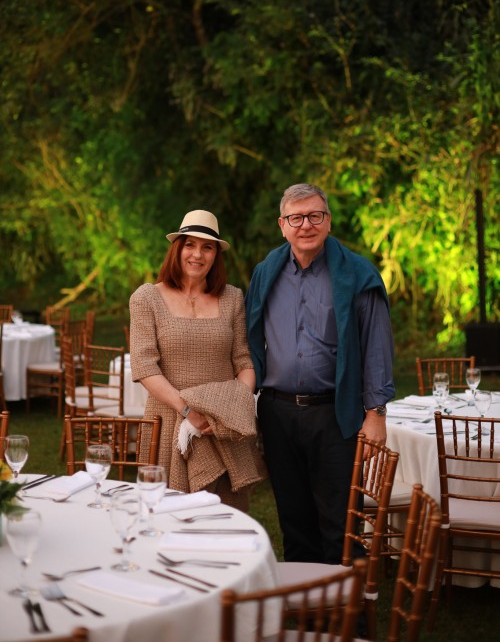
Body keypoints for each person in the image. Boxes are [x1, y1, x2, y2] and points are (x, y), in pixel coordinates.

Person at [245, 183, 395, 562]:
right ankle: (305, 596)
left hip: (335, 414)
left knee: (340, 521)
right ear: (282, 225)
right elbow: (248, 336)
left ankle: (346, 600)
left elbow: (377, 346)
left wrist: (376, 413)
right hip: (278, 414)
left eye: (315, 215)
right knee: (294, 519)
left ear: (328, 221)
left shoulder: (357, 274)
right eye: (296, 218)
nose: (306, 225)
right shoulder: (266, 273)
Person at [129, 209, 265, 510]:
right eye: (189, 244)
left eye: (207, 247)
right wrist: (188, 410)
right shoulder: (146, 298)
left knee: (225, 515)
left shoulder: (232, 298)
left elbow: (244, 361)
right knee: (165, 514)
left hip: (221, 426)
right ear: (177, 249)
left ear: (216, 254)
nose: (197, 254)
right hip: (167, 422)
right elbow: (144, 365)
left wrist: (229, 411)